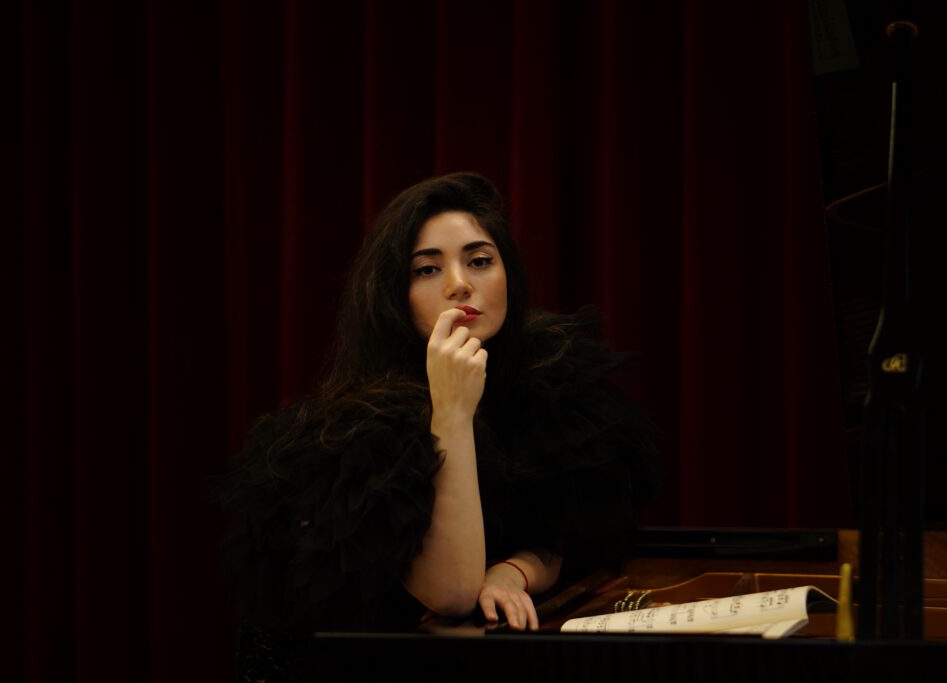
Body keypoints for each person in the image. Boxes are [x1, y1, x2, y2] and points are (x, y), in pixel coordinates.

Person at [215, 172, 657, 680]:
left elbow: (564, 534)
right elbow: (452, 593)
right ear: (394, 296)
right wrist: (451, 409)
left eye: (480, 261)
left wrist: (512, 573)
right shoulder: (360, 428)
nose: (459, 284)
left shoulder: (548, 383)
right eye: (427, 269)